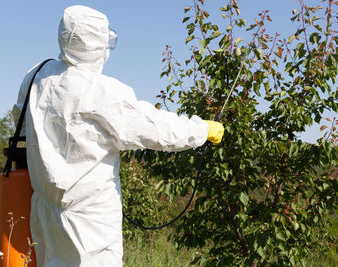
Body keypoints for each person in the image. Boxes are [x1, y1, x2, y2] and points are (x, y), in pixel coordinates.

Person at [12, 5, 224, 267]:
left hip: (44, 207)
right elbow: (156, 128)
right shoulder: (101, 92)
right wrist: (202, 129)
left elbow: (21, 123)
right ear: (97, 45)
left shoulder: (37, 75)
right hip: (90, 217)